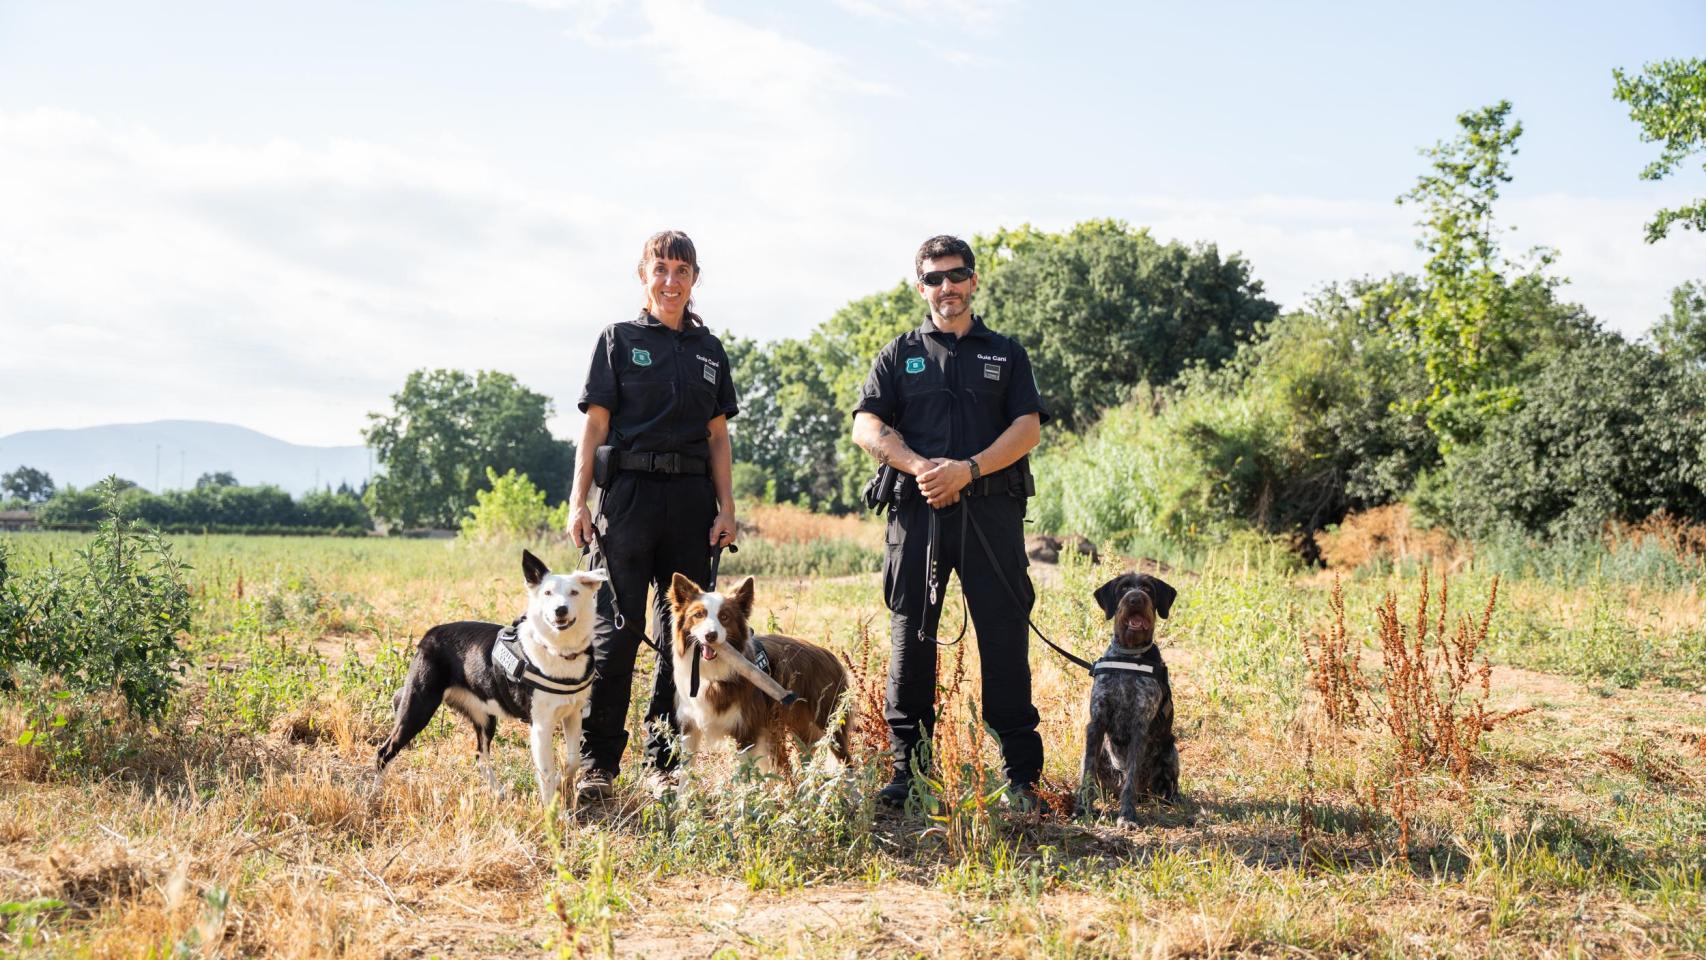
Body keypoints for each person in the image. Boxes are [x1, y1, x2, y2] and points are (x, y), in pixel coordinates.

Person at [851, 234, 1048, 811]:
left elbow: (1028, 428)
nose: (947, 288)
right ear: (921, 287)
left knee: (1005, 639)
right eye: (934, 278)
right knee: (912, 638)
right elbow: (867, 428)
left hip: (991, 511)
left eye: (956, 275)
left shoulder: (1006, 354)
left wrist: (968, 469)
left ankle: (1020, 776)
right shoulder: (897, 354)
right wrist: (919, 468)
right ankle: (908, 773)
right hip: (918, 513)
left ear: (974, 281)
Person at [567, 230, 739, 799]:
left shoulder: (710, 351)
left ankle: (662, 761)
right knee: (616, 635)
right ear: (643, 275)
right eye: (660, 269)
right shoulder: (617, 340)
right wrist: (579, 501)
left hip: (692, 506)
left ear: (695, 279)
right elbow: (594, 427)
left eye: (681, 271)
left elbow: (718, 438)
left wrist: (727, 511)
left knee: (683, 640)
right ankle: (598, 765)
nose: (670, 281)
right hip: (629, 502)